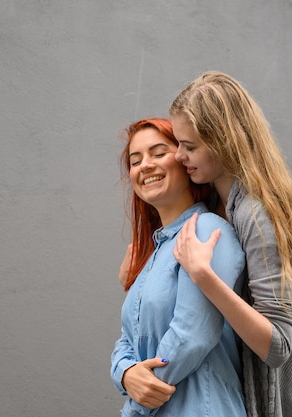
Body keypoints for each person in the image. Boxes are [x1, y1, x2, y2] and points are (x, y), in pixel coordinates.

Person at [168, 71, 292, 417]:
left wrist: (204, 276)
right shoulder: (215, 204)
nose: (179, 155)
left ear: (224, 141)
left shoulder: (256, 214)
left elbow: (277, 346)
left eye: (190, 146)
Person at [110, 118, 248, 417]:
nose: (145, 165)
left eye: (158, 153)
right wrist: (124, 373)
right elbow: (127, 337)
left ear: (185, 162)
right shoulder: (152, 254)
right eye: (136, 160)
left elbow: (192, 334)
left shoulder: (207, 230)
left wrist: (136, 406)